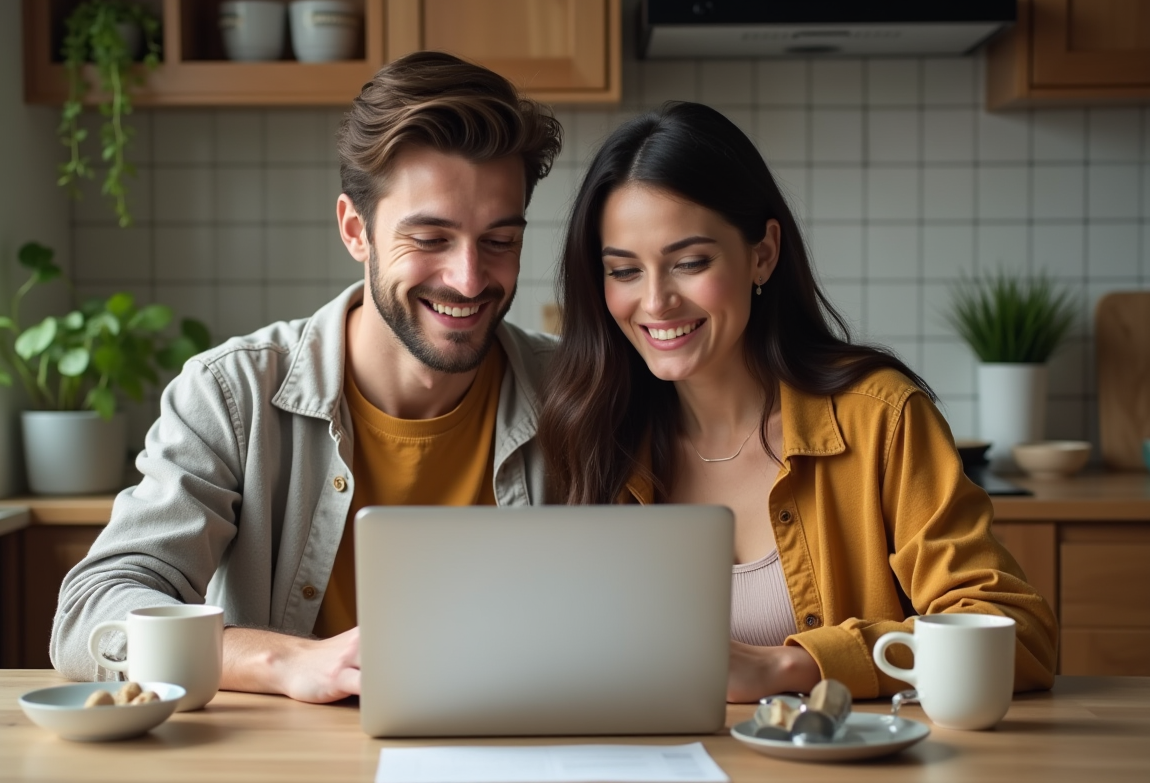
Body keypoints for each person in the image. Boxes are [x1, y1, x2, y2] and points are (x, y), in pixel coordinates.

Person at [51, 52, 563, 703]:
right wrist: (284, 663)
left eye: (500, 241)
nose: (468, 279)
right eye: (430, 239)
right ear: (356, 230)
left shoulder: (576, 390)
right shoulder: (232, 396)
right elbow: (92, 612)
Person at [537, 102, 1057, 703]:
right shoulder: (594, 431)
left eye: (690, 263)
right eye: (624, 271)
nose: (655, 302)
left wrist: (796, 668)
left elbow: (1019, 634)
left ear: (763, 253)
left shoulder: (880, 417)